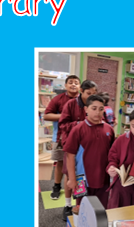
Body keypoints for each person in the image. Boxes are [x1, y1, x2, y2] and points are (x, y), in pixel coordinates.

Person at [63, 94, 115, 209]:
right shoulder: (78, 129)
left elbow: (112, 155)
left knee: (101, 211)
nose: (98, 112)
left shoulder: (109, 130)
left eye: (101, 109)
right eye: (94, 108)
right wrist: (72, 179)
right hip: (82, 180)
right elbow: (70, 155)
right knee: (83, 211)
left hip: (103, 179)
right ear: (86, 109)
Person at [57, 80, 98, 214]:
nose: (91, 96)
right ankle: (68, 205)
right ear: (81, 92)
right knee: (70, 175)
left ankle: (82, 204)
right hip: (73, 146)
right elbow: (62, 124)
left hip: (90, 147)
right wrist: (79, 124)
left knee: (85, 175)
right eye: (88, 93)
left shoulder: (95, 105)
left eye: (94, 93)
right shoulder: (71, 104)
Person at [105, 108, 134, 209]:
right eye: (133, 126)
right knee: (117, 213)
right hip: (122, 185)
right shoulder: (121, 139)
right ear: (129, 123)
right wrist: (112, 167)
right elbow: (113, 157)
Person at [43, 75, 81, 200]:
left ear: (80, 86)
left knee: (78, 163)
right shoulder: (58, 99)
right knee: (60, 162)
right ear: (65, 85)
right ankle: (56, 186)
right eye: (70, 82)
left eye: (76, 82)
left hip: (80, 137)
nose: (73, 85)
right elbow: (46, 116)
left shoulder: (83, 101)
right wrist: (65, 116)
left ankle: (77, 188)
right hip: (60, 136)